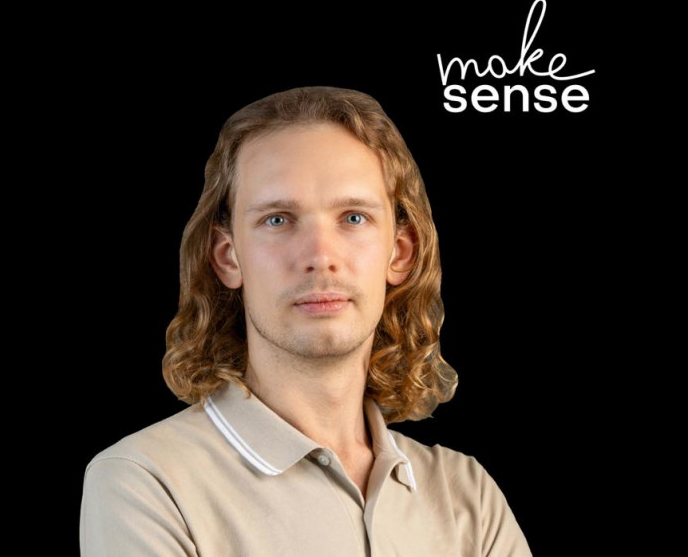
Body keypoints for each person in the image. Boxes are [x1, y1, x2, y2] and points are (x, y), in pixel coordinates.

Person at [79, 86, 532, 556]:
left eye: (353, 218)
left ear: (399, 253)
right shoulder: (145, 481)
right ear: (228, 256)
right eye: (278, 220)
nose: (320, 256)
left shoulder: (468, 496)